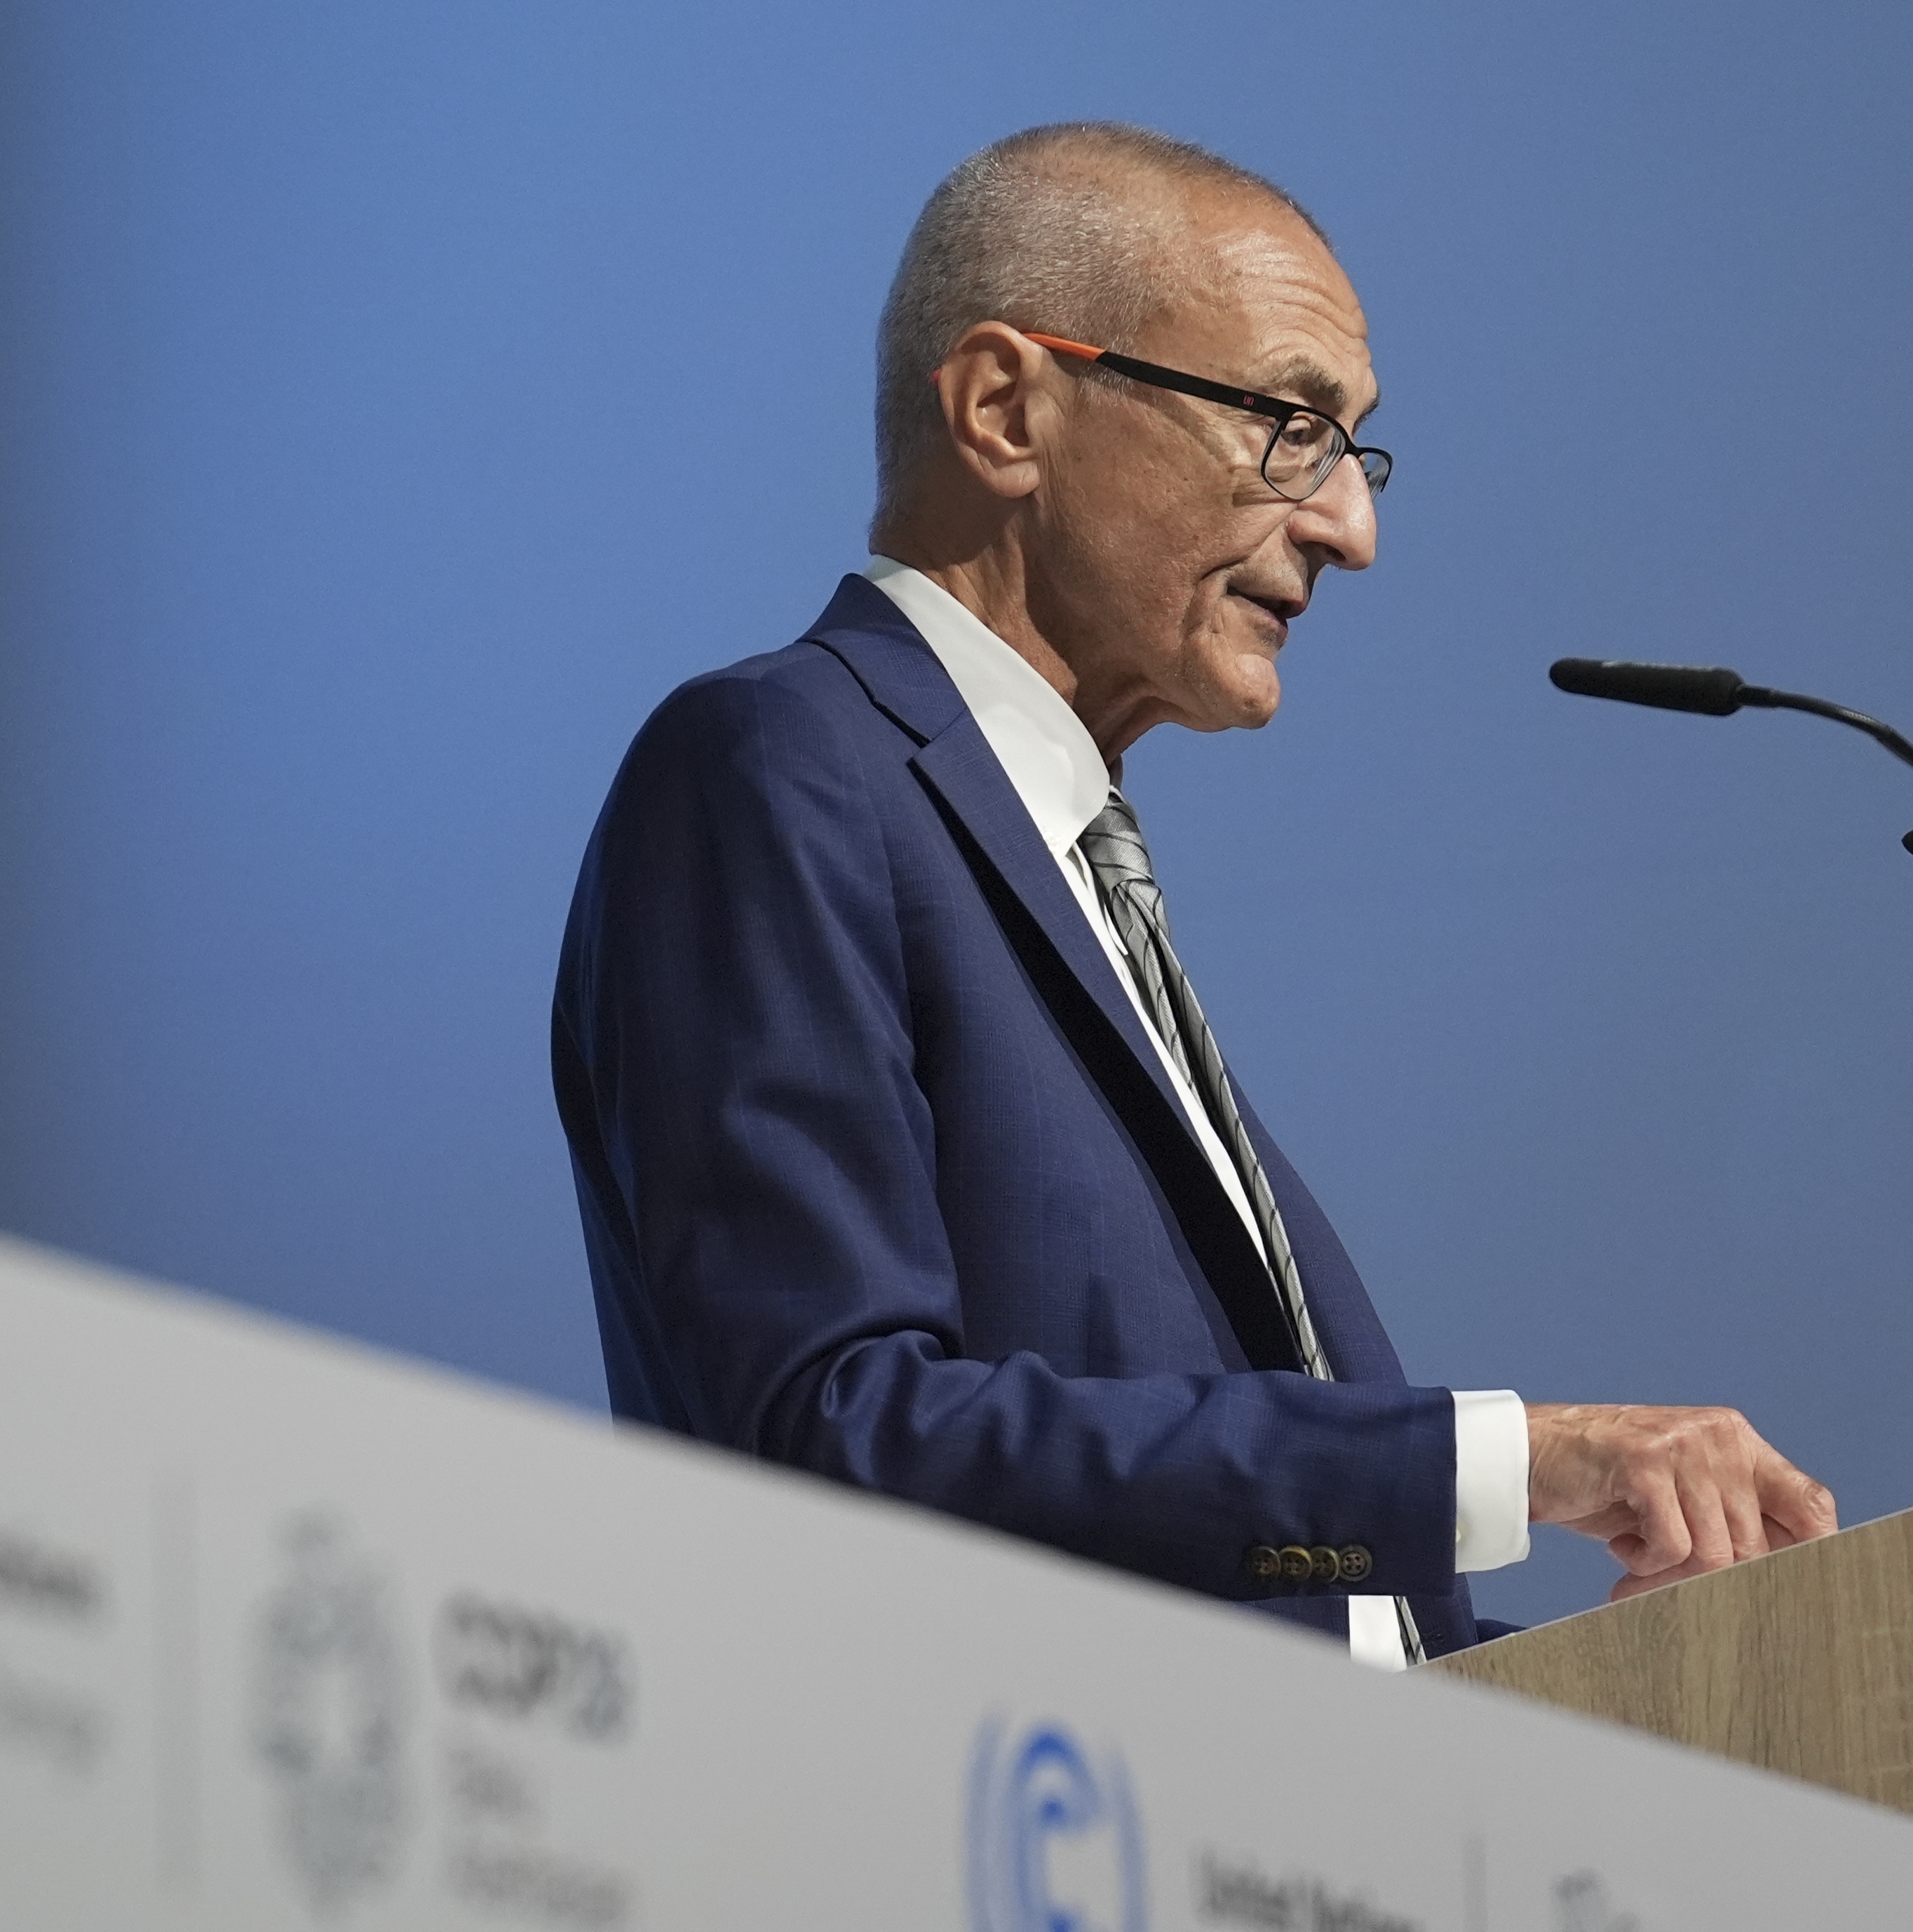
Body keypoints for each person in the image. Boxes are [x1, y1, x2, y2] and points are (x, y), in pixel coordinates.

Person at [552, 122, 1834, 1664]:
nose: (1350, 528)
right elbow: (841, 1434)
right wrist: (1505, 1464)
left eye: (1352, 449)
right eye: (1288, 424)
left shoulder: (1073, 869)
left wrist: (1620, 1676)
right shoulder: (779, 764)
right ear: (1004, 410)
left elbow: (1254, 1602)